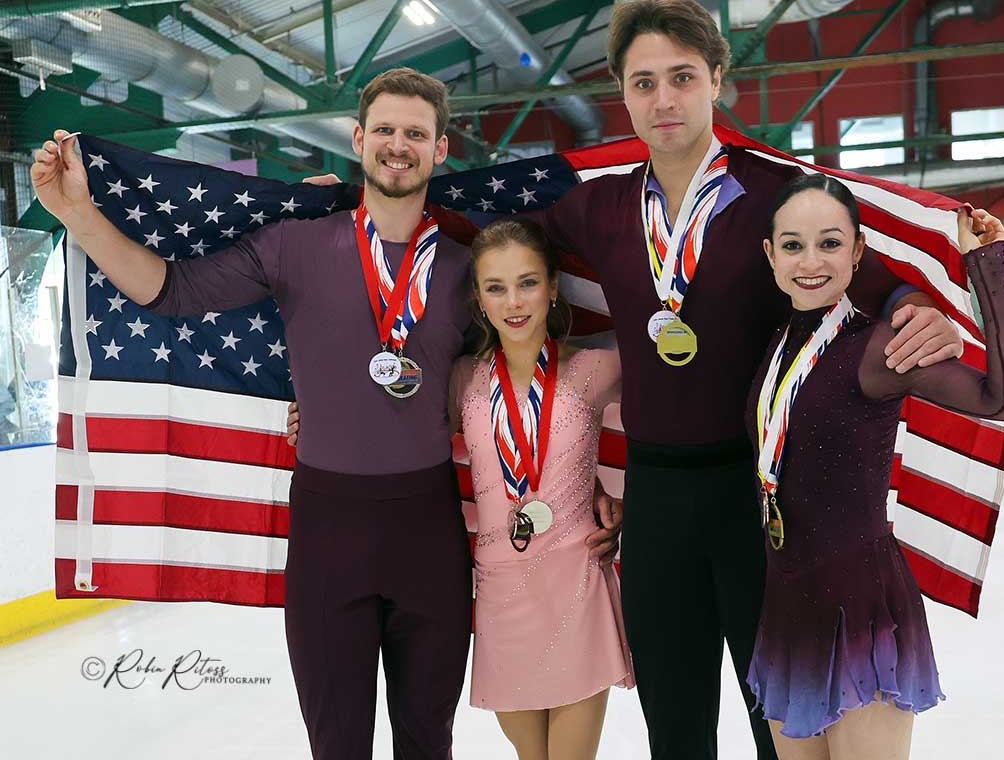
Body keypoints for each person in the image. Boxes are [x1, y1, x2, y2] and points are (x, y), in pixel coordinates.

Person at [291, 0, 963, 759]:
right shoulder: (601, 207)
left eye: (682, 77)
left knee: (775, 726)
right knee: (674, 729)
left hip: (755, 499)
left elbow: (860, 270)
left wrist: (913, 305)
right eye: (644, 82)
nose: (664, 99)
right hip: (657, 503)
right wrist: (353, 199)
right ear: (623, 93)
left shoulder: (772, 192)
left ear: (716, 79)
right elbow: (484, 228)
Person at [29, 67, 619, 760]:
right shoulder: (294, 246)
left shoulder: (469, 269)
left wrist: (586, 486)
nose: (398, 145)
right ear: (359, 139)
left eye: (416, 134)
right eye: (386, 130)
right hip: (327, 534)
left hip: (427, 533)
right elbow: (170, 290)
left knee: (427, 742)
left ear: (439, 149)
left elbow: (518, 381)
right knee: (336, 744)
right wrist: (78, 215)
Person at [746, 174, 1004, 759]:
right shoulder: (775, 345)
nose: (811, 262)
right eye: (794, 245)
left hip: (861, 602)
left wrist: (986, 269)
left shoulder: (876, 347)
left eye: (830, 243)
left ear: (857, 252)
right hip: (787, 600)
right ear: (770, 255)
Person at [455, 217, 633, 759]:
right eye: (496, 287)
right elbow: (384, 418)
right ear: (479, 299)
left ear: (553, 287)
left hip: (576, 580)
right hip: (501, 591)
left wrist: (630, 504)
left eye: (528, 282)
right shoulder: (460, 378)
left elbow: (680, 405)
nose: (514, 301)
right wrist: (311, 418)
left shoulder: (597, 368)